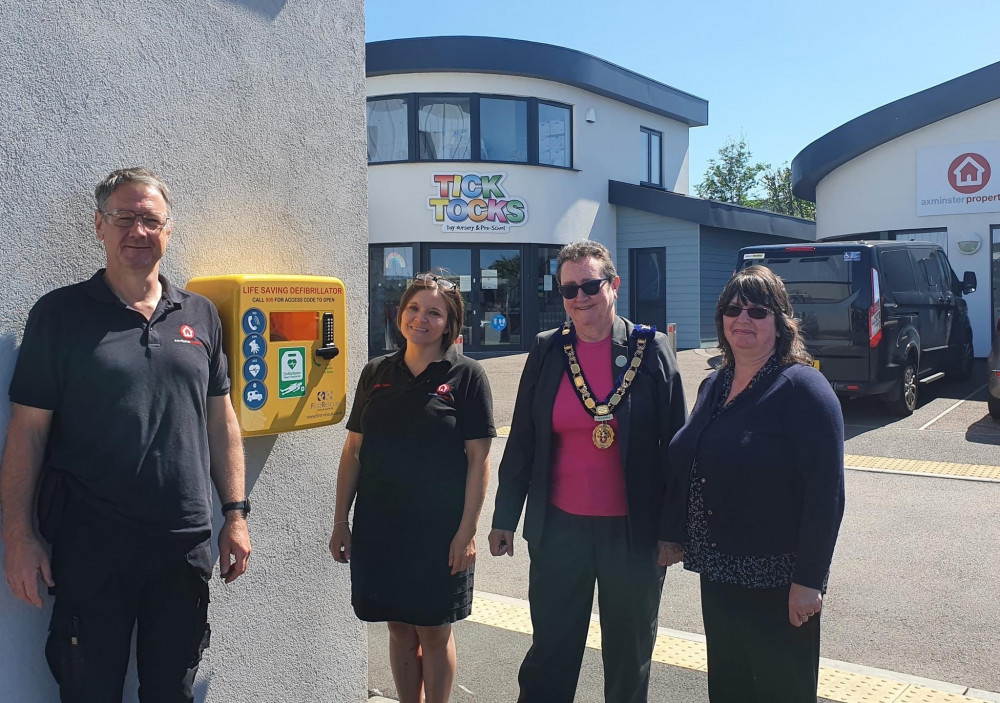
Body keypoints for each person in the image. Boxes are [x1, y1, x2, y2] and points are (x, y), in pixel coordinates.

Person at [0, 167, 251, 702]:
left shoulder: (201, 315)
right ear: (99, 226)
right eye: (123, 218)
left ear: (168, 229)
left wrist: (235, 514)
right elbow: (27, 433)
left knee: (171, 691)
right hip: (91, 547)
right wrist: (17, 536)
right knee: (89, 691)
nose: (138, 231)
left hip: (182, 545)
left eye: (150, 219)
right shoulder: (60, 315)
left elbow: (221, 417)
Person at [488, 240, 688, 703]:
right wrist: (504, 517)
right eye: (569, 289)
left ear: (613, 285)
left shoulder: (651, 349)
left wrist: (673, 530)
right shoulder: (548, 350)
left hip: (633, 535)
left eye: (591, 285)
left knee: (628, 656)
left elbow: (677, 451)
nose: (580, 297)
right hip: (559, 529)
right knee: (550, 653)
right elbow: (522, 440)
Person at [662, 265, 845, 703]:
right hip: (720, 574)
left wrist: (809, 581)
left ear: (781, 323)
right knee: (729, 689)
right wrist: (671, 534)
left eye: (757, 311)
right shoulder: (714, 383)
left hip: (778, 583)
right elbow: (690, 460)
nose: (742, 319)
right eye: (732, 309)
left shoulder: (803, 388)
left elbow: (827, 493)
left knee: (782, 690)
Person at [329, 271, 494, 703]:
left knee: (434, 631)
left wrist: (467, 532)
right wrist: (340, 521)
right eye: (413, 309)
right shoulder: (376, 372)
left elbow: (479, 462)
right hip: (379, 527)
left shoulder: (468, 376)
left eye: (434, 312)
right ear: (400, 314)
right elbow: (353, 452)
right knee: (399, 627)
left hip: (439, 532)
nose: (420, 319)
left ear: (450, 323)